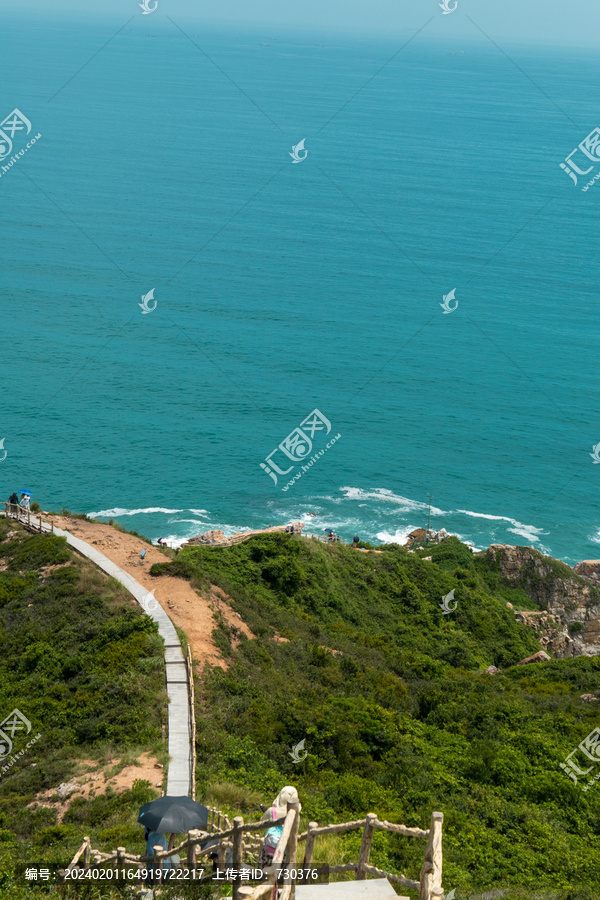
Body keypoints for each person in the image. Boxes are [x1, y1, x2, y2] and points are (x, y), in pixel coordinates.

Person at [258, 786, 300, 869]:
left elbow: (261, 822)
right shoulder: (295, 813)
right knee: (281, 878)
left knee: (265, 875)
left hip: (269, 851)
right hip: (286, 853)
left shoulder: (271, 811)